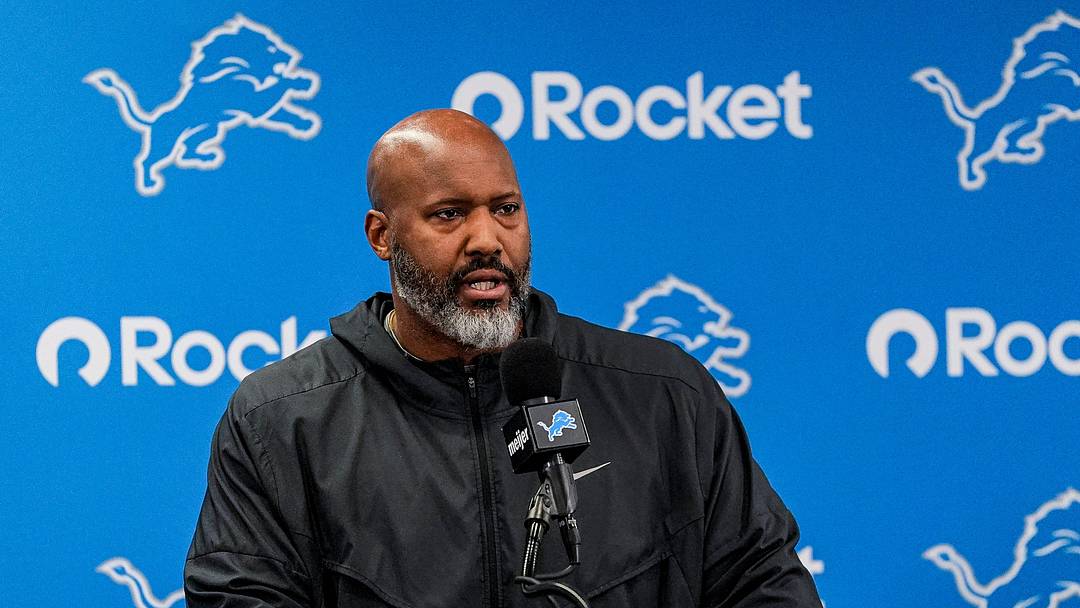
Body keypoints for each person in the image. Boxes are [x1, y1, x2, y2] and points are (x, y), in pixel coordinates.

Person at [184, 109, 821, 607]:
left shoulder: (662, 392)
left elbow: (761, 582)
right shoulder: (281, 419)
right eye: (449, 214)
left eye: (506, 210)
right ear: (382, 235)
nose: (487, 240)